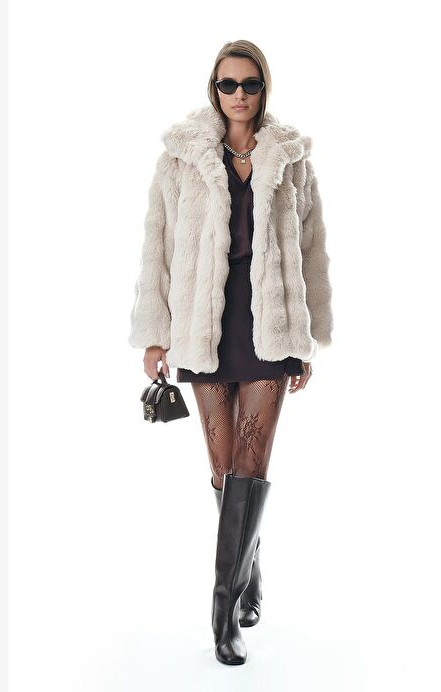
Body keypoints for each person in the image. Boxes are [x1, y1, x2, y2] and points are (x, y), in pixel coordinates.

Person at [128, 39, 333, 665]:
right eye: (227, 84)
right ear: (213, 89)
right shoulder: (181, 157)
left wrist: (307, 338)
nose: (238, 95)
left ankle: (223, 610)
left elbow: (312, 250)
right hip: (203, 325)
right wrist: (155, 335)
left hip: (269, 322)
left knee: (253, 456)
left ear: (263, 88)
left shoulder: (290, 157)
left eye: (249, 84)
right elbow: (158, 248)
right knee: (222, 468)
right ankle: (250, 572)